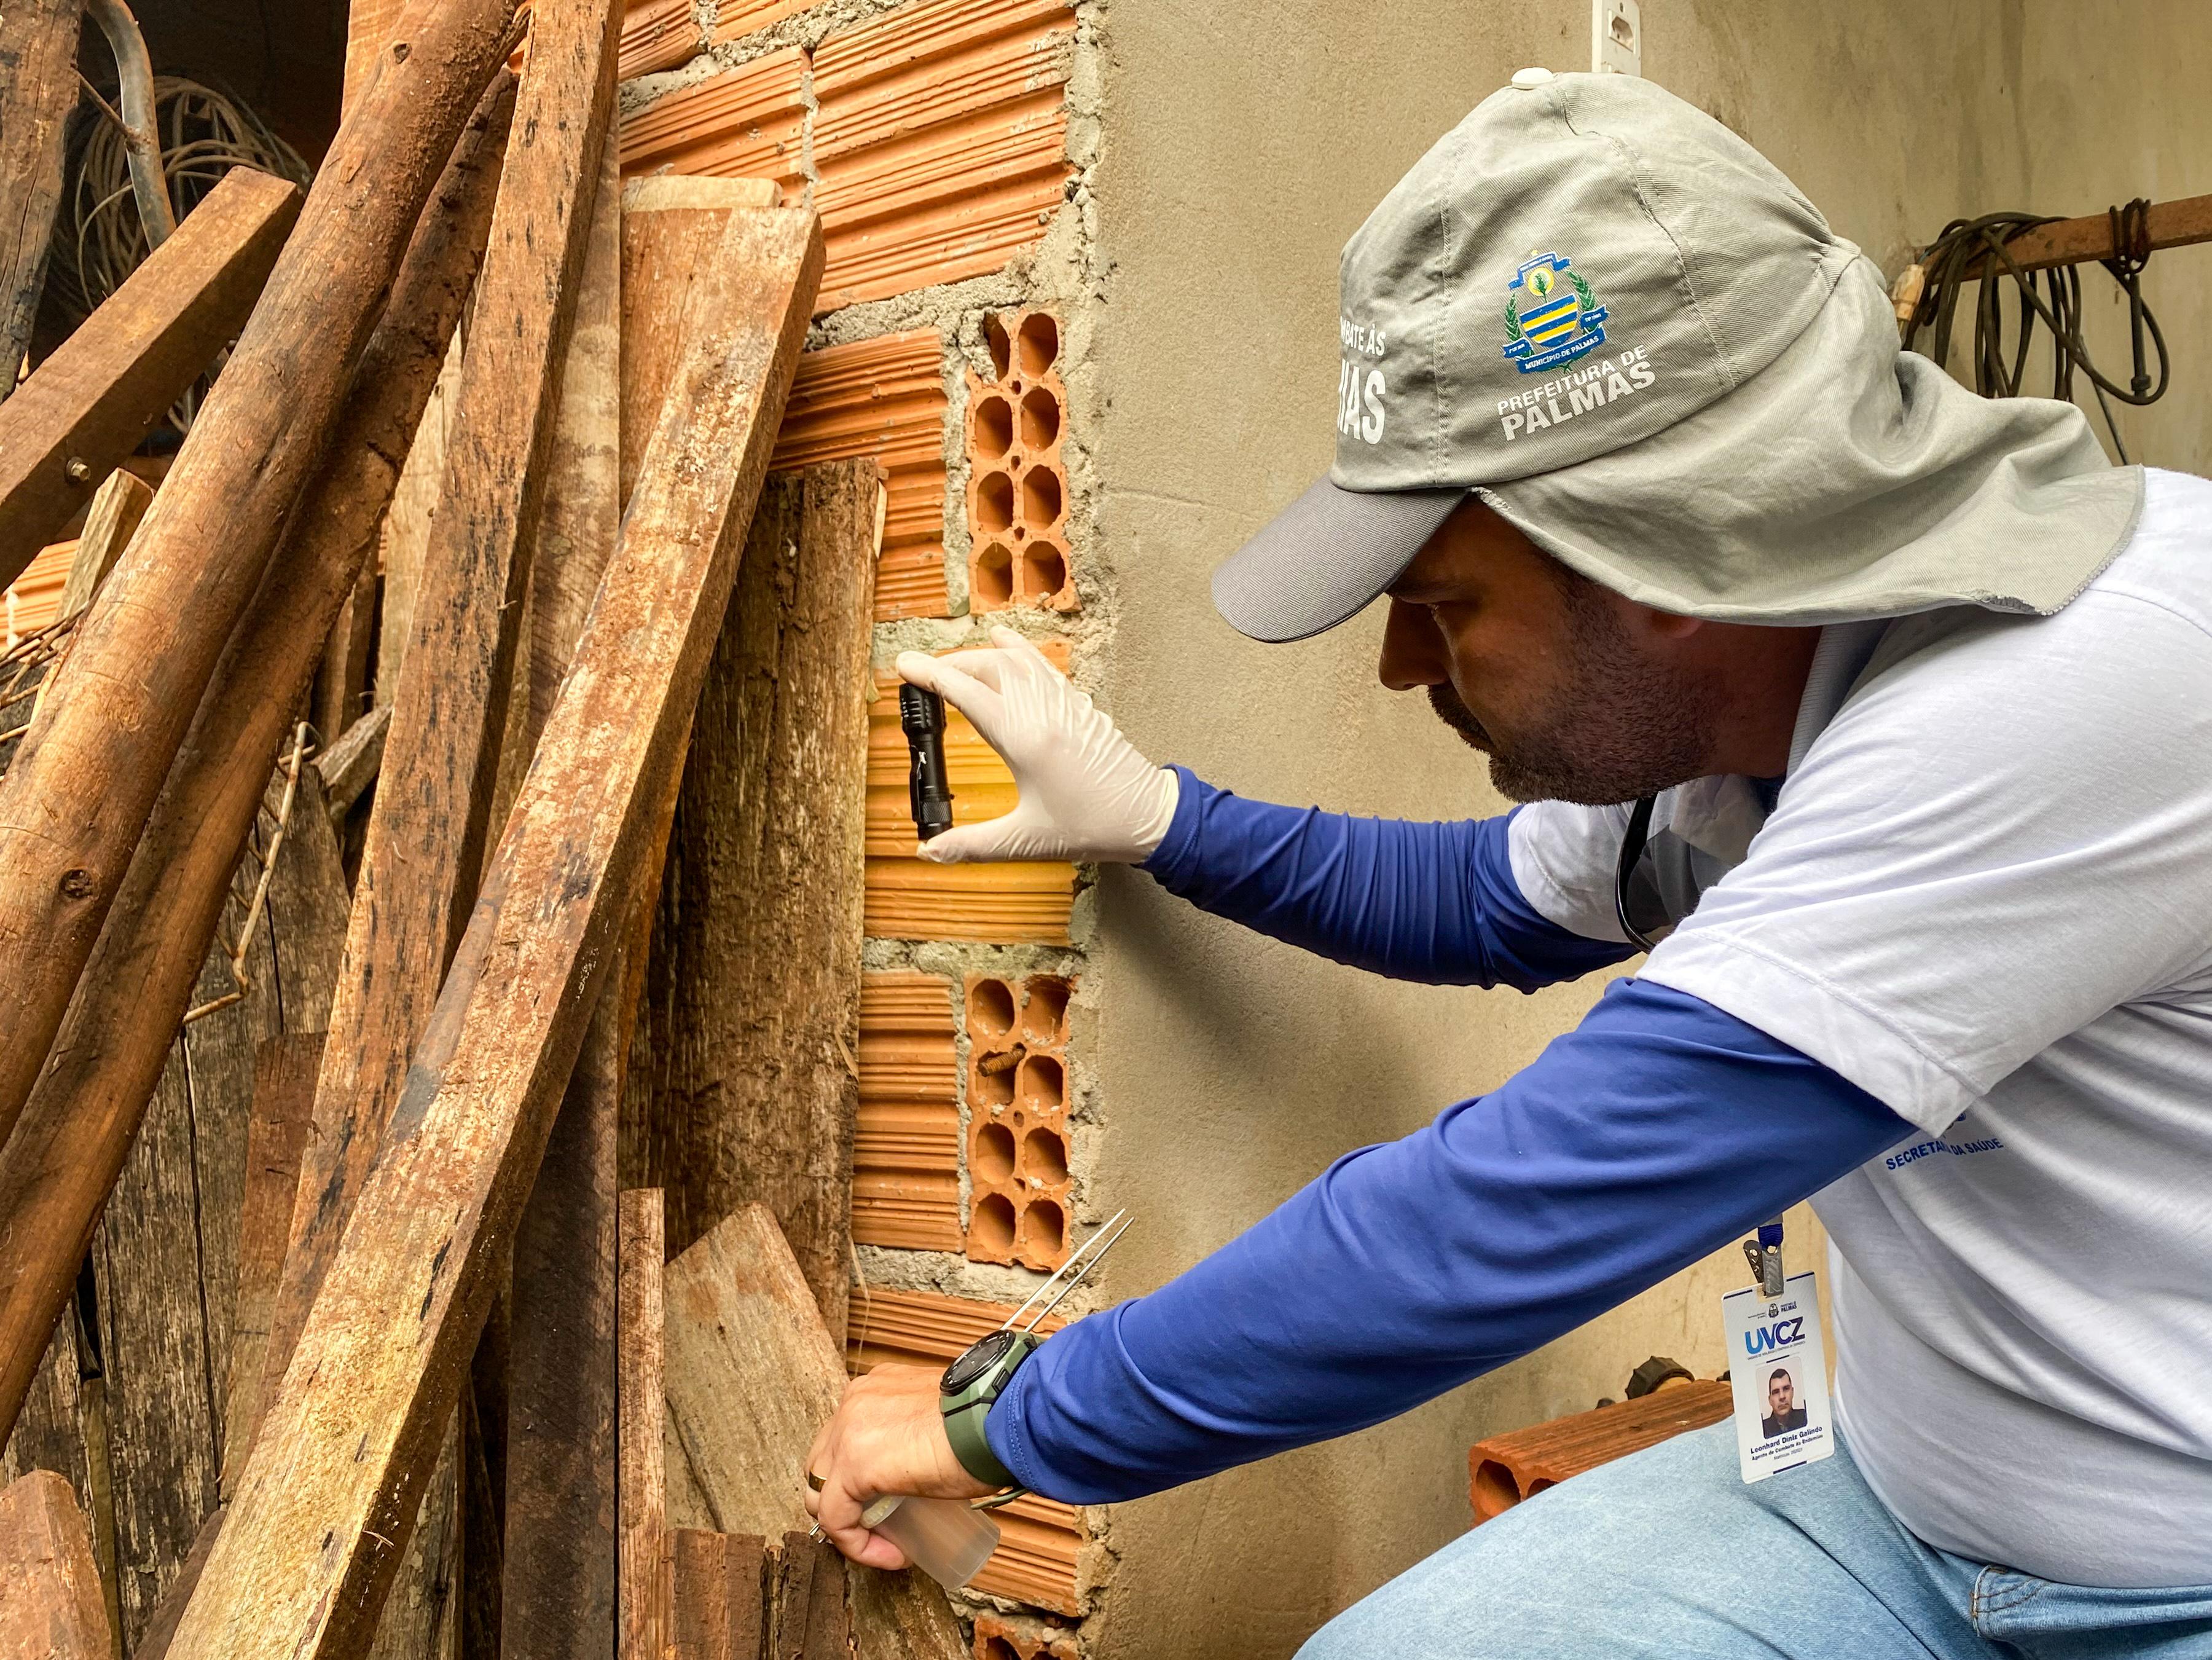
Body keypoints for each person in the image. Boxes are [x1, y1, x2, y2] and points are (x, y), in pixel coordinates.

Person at [804, 69, 2212, 1658]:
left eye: (1444, 599)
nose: (1404, 665)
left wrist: (997, 1418)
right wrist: (1155, 815)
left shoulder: (2072, 694)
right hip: (1897, 1516)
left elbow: (1502, 1215)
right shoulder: (1763, 685)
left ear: (1661, 552)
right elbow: (1487, 901)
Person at [1761, 1368, 1807, 1440]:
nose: (1782, 1397)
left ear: (1792, 1392)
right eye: (1776, 1392)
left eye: (1786, 1389)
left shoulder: (1806, 1417)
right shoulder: (1762, 1429)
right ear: (1770, 1400)